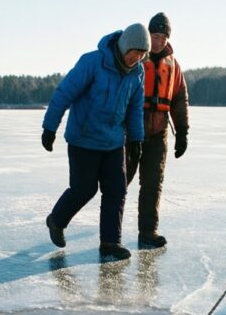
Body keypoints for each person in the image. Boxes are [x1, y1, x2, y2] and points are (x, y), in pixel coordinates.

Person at [42, 23, 150, 262]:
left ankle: (110, 243)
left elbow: (134, 109)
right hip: (84, 139)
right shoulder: (92, 62)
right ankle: (57, 220)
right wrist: (50, 126)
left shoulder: (138, 72)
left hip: (113, 142)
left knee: (116, 190)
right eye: (135, 52)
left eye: (143, 55)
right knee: (84, 189)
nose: (137, 58)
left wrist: (136, 139)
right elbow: (64, 93)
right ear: (124, 47)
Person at [127, 12, 189, 249]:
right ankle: (112, 230)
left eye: (163, 36)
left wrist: (182, 132)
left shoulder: (173, 65)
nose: (159, 41)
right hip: (133, 132)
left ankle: (148, 231)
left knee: (153, 183)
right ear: (148, 34)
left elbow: (180, 98)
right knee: (121, 182)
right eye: (155, 35)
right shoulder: (136, 58)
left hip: (159, 132)